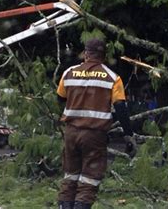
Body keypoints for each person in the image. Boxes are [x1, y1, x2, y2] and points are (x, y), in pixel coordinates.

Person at [56, 38, 136, 209]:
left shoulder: (69, 72)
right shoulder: (113, 78)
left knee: (70, 177)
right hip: (94, 135)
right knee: (89, 180)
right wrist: (128, 136)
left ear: (85, 53)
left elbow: (60, 98)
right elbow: (121, 108)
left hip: (71, 133)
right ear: (104, 56)